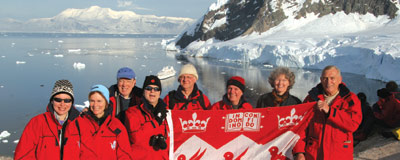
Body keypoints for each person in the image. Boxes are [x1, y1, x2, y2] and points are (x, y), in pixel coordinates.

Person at [293, 65, 362, 160]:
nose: (328, 82)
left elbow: (353, 124)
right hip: (314, 154)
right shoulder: (311, 98)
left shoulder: (350, 99)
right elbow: (300, 127)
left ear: (340, 80)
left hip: (339, 155)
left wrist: (331, 111)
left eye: (332, 78)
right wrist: (299, 152)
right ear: (321, 80)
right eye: (325, 78)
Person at [15, 80, 80, 159]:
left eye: (67, 100)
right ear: (52, 101)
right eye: (58, 100)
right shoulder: (37, 123)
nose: (62, 104)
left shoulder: (81, 124)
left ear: (71, 102)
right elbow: (23, 155)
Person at [64, 84, 132, 159]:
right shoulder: (77, 125)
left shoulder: (116, 126)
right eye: (92, 101)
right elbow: (70, 153)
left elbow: (125, 155)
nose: (95, 105)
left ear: (106, 102)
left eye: (99, 101)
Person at [124, 75, 169, 159]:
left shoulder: (167, 114)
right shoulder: (132, 112)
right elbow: (135, 138)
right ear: (143, 91)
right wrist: (156, 122)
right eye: (148, 88)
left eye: (156, 89)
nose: (152, 91)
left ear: (159, 93)